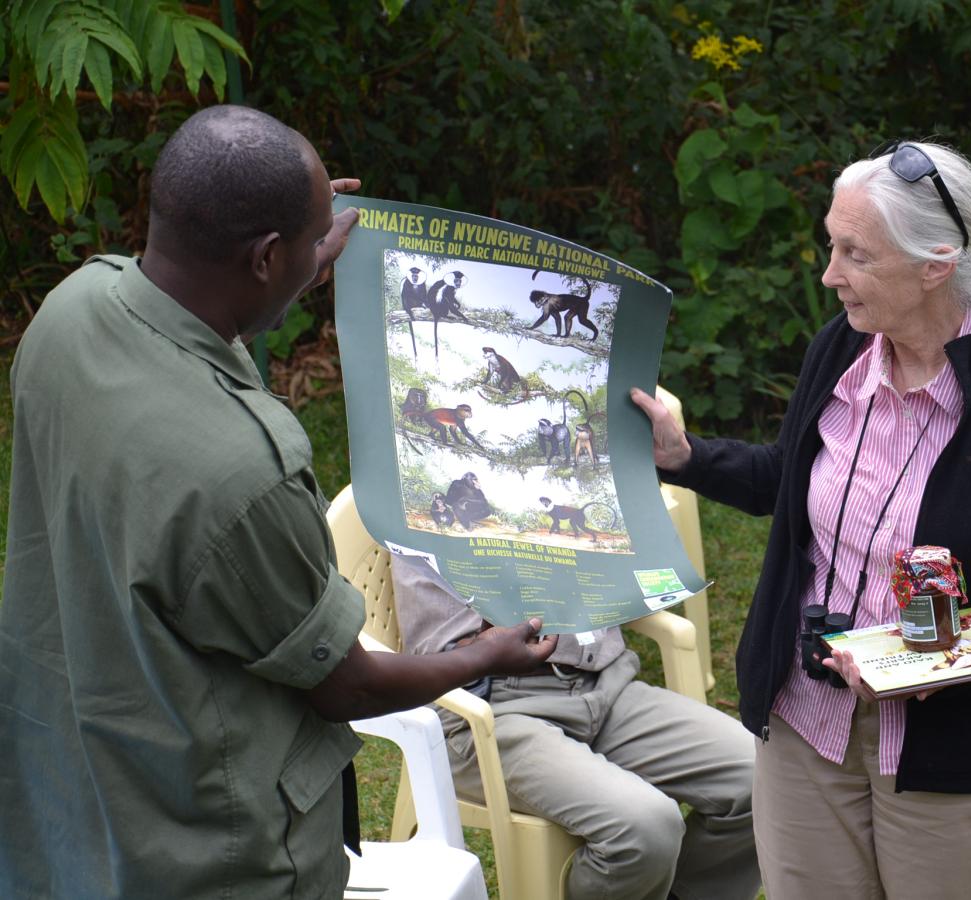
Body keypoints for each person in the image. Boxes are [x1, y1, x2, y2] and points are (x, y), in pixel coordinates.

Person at [0, 105, 556, 900]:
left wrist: (299, 256)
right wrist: (482, 655)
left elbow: (188, 347)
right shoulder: (244, 472)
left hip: (71, 789)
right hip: (204, 844)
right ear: (263, 256)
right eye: (308, 241)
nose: (317, 255)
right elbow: (346, 685)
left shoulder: (67, 315)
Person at [632, 139, 971, 899]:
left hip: (948, 748)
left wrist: (915, 666)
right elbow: (791, 478)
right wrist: (687, 457)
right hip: (805, 713)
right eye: (831, 245)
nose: (830, 275)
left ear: (934, 267)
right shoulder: (844, 350)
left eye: (855, 254)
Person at [392, 554, 760, 900]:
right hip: (488, 708)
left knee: (760, 778)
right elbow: (435, 656)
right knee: (645, 828)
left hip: (603, 683)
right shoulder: (421, 498)